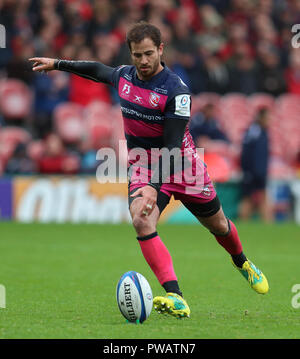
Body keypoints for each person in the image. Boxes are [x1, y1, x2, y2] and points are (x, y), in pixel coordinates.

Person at [29, 21, 269, 319]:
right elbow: (96, 69)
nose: (142, 61)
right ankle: (176, 296)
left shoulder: (177, 92)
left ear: (160, 50)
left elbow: (171, 148)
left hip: (182, 165)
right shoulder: (125, 78)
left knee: (218, 225)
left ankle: (243, 263)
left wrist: (155, 187)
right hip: (143, 164)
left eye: (148, 54)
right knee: (142, 220)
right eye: (136, 55)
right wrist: (58, 64)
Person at [239, 107, 273, 222]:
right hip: (251, 172)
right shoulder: (253, 132)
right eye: (267, 118)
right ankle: (243, 222)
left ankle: (268, 223)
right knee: (247, 198)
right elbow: (246, 153)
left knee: (263, 197)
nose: (269, 120)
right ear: (261, 118)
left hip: (261, 172)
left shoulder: (263, 132)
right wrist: (246, 170)